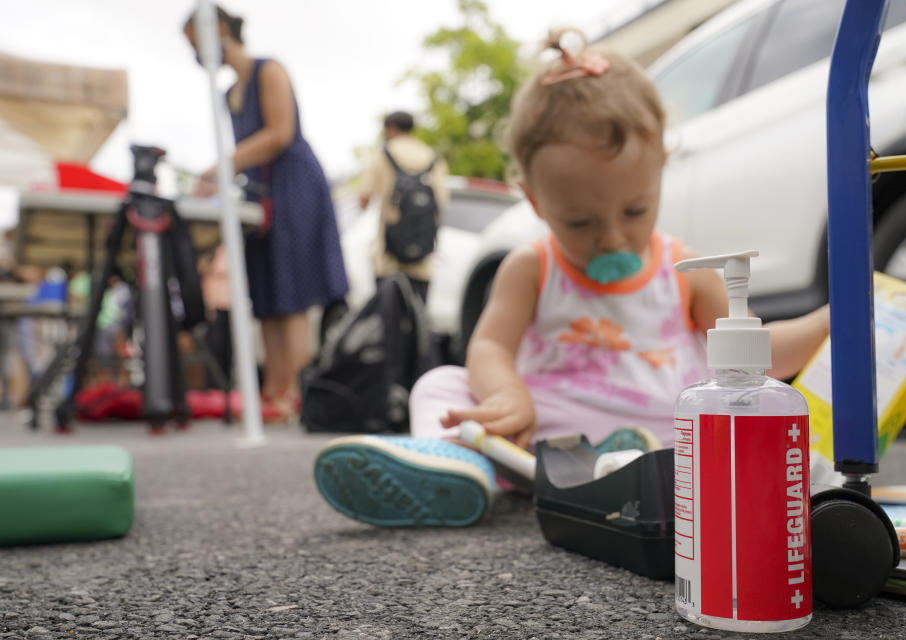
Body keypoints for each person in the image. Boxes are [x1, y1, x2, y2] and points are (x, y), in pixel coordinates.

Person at [313, 30, 830, 527]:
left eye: (635, 210)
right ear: (535, 200)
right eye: (580, 222)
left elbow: (752, 352)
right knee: (440, 384)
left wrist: (829, 323)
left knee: (767, 429)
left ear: (660, 172)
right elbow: (490, 346)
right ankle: (457, 469)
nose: (612, 239)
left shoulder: (687, 271)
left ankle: (792, 494)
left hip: (668, 439)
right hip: (550, 434)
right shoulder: (532, 267)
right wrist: (507, 394)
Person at [183, 5, 349, 422]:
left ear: (218, 30)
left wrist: (224, 164)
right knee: (268, 296)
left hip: (292, 186)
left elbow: (280, 133)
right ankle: (275, 390)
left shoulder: (269, 70)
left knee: (292, 293)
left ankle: (296, 391)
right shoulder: (228, 94)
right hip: (258, 194)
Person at [356, 111, 449, 304]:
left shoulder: (384, 154)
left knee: (388, 318)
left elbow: (363, 199)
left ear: (390, 129)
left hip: (389, 258)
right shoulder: (432, 157)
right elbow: (440, 204)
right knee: (418, 320)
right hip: (422, 259)